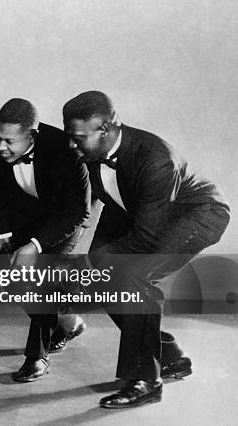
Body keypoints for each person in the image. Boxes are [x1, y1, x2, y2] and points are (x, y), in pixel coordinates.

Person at [63, 90, 230, 408]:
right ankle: (169, 358)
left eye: (79, 137)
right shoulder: (93, 154)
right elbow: (112, 209)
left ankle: (146, 381)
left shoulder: (153, 156)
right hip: (150, 220)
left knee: (135, 279)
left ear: (106, 128)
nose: (72, 145)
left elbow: (146, 239)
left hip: (198, 216)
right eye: (70, 136)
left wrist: (93, 260)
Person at [0, 98, 90, 382]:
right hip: (26, 218)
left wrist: (35, 245)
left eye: (9, 141)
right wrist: (4, 236)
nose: (1, 146)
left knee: (39, 278)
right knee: (16, 280)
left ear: (32, 135)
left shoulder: (66, 150)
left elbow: (78, 211)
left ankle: (37, 356)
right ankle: (68, 322)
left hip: (64, 220)